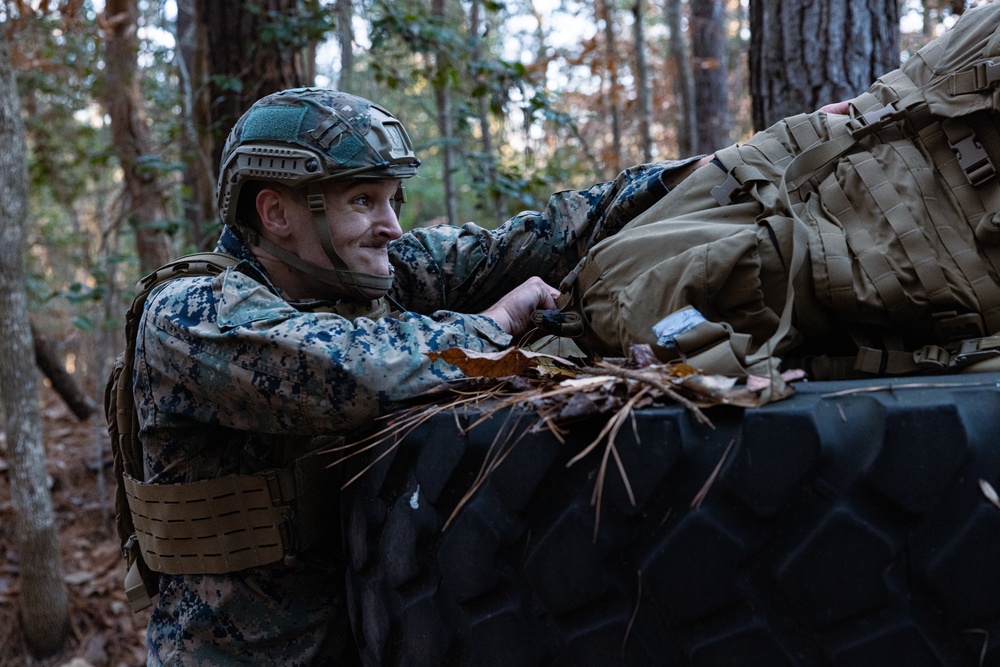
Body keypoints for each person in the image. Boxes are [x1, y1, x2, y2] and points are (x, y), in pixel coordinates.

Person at [123, 87, 706, 664]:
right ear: (275, 212)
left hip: (365, 640)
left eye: (393, 199)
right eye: (362, 201)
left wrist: (710, 173)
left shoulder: (369, 275)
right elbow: (358, 371)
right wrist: (494, 323)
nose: (391, 226)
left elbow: (541, 239)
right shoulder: (190, 317)